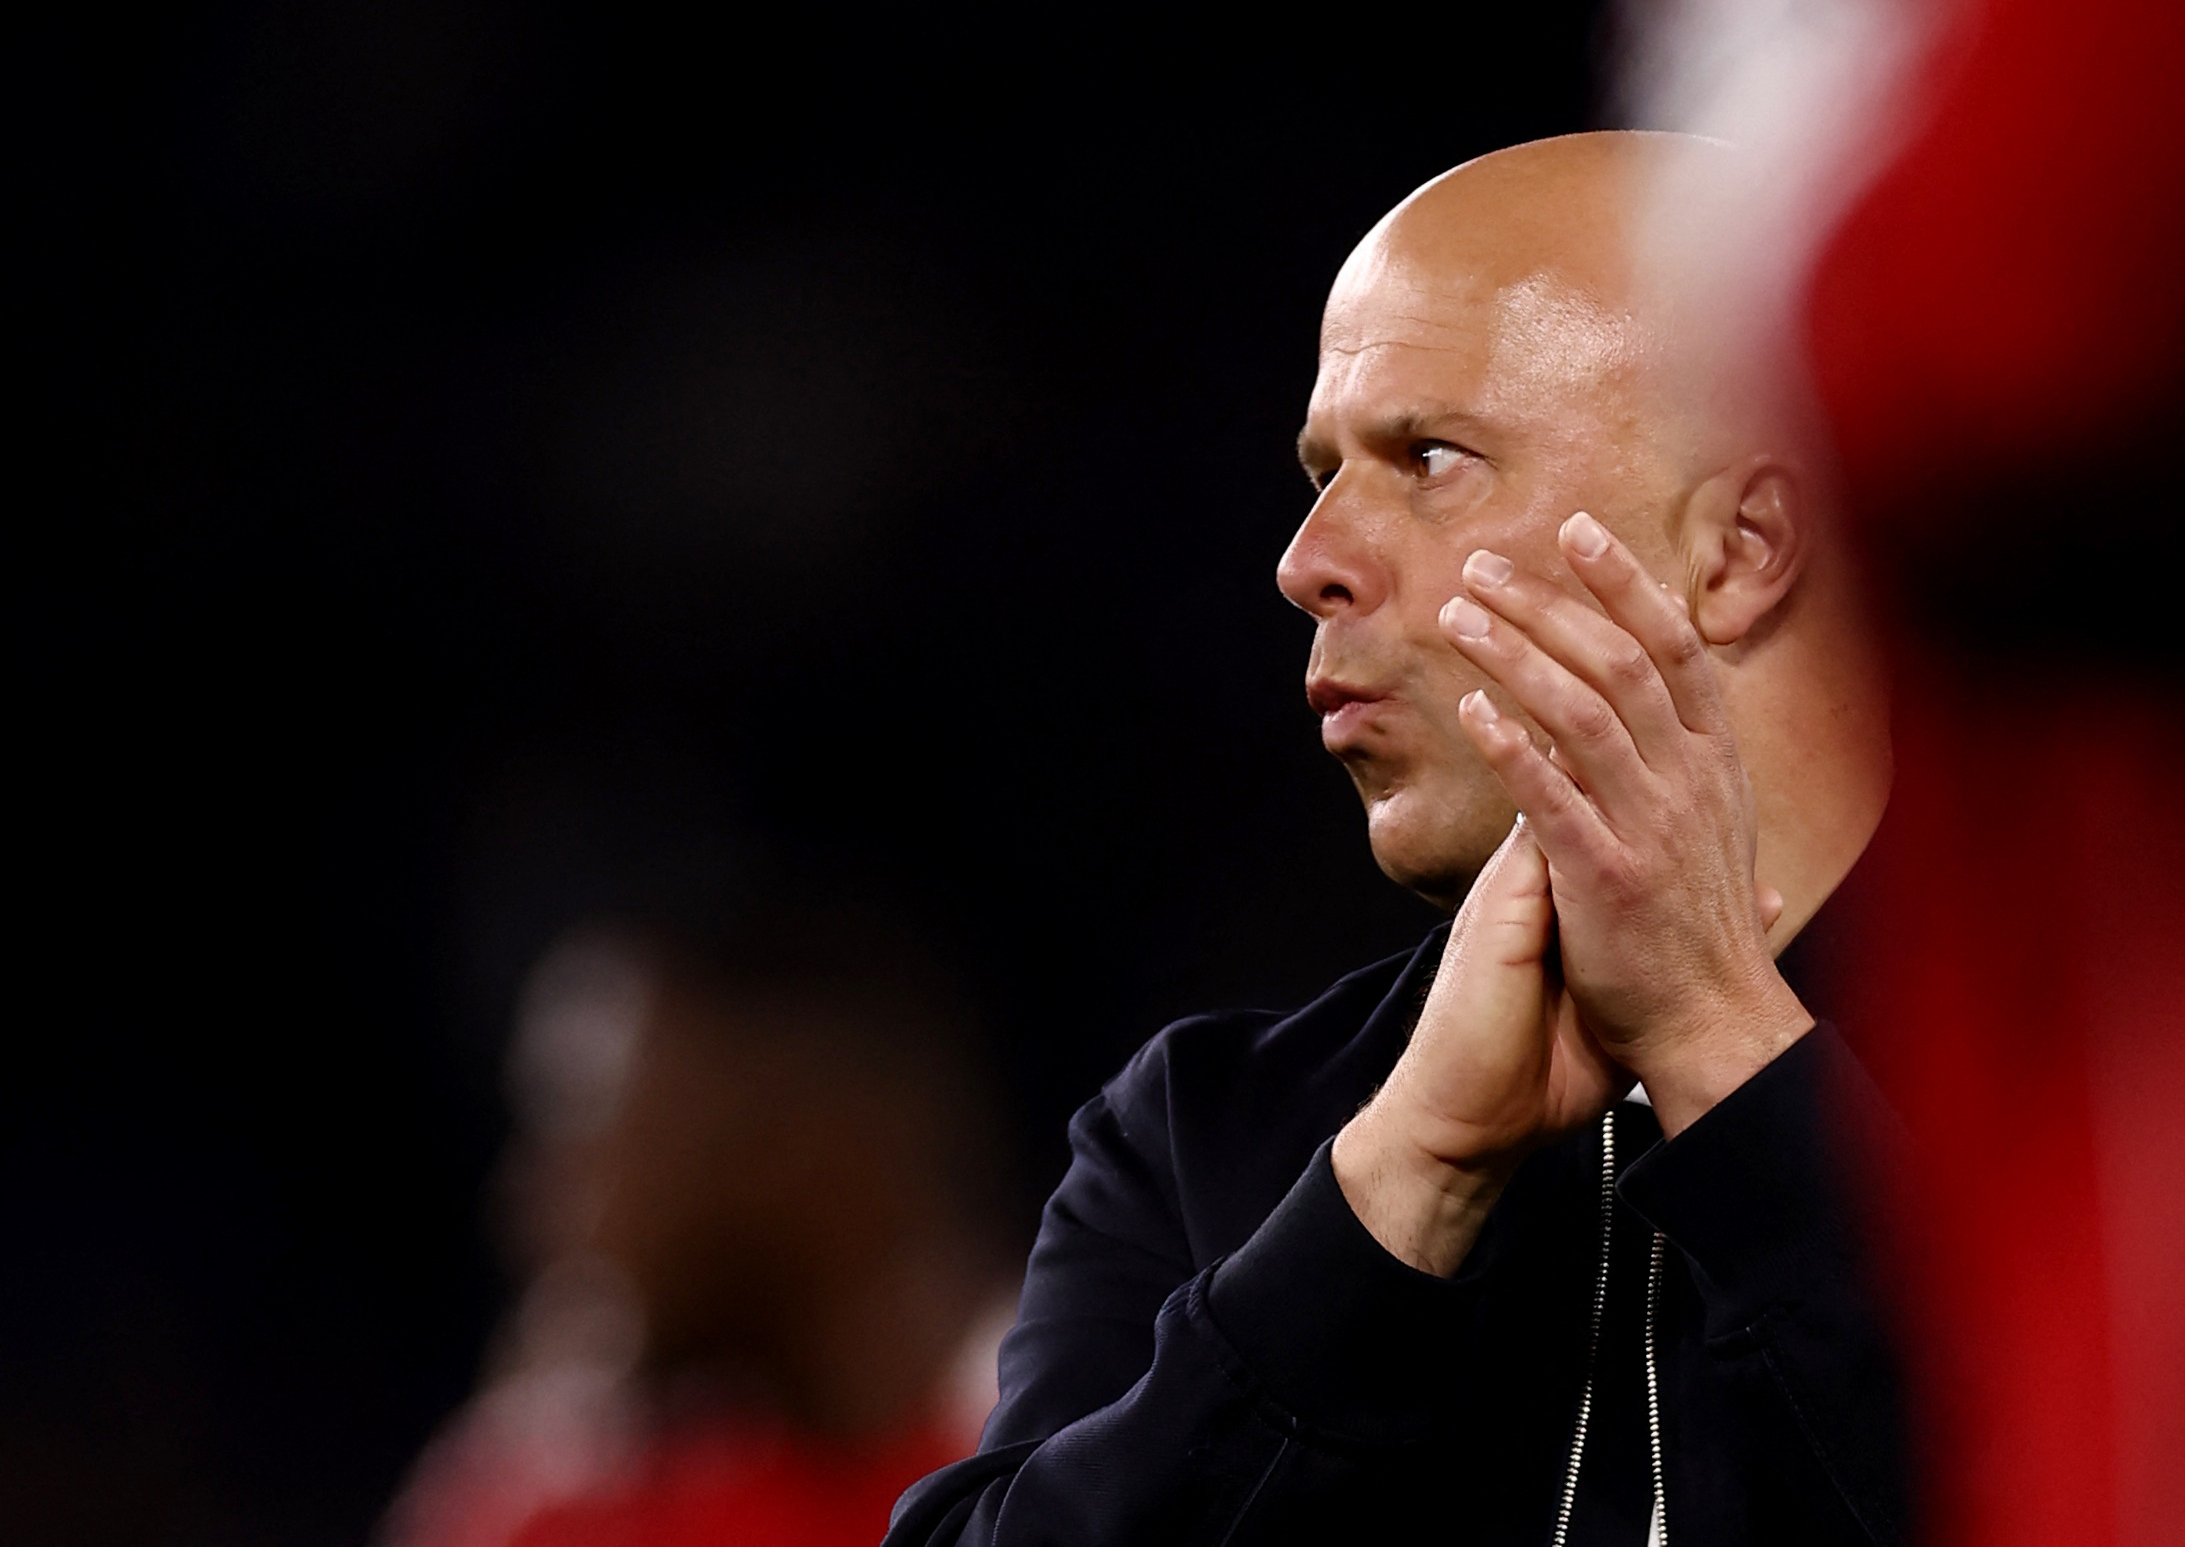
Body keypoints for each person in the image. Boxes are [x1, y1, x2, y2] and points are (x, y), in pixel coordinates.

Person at [884, 132, 1904, 1545]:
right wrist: (1403, 1186)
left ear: (1738, 548)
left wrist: (1721, 1051)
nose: (1307, 560)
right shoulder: (1200, 1136)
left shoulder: (2104, 1080)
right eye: (1321, 467)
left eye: (1428, 456)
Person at [382, 909, 1016, 1547]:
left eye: (612, 1147)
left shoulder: (1057, 1458)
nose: (533, 1208)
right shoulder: (549, 1496)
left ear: (814, 1149)